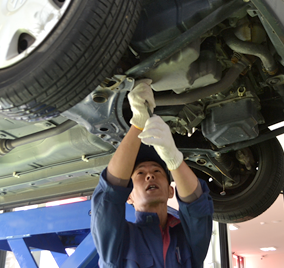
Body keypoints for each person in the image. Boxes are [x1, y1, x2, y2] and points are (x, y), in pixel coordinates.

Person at [91, 80, 214, 267]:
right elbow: (108, 198)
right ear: (129, 196)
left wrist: (171, 156)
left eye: (157, 170)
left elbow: (197, 206)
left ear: (170, 191)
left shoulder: (183, 235)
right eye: (140, 173)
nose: (150, 176)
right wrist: (139, 121)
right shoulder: (119, 241)